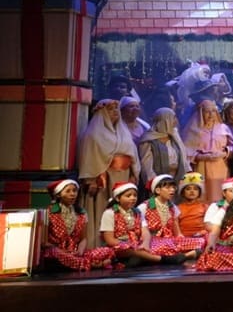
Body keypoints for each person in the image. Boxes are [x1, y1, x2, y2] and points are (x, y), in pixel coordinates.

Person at [78, 98, 140, 248]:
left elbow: (132, 153)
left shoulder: (123, 132)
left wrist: (133, 173)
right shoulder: (92, 134)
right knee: (104, 208)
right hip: (104, 179)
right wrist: (91, 180)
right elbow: (88, 157)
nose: (115, 112)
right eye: (111, 109)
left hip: (123, 176)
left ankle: (123, 244)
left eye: (116, 109)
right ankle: (101, 245)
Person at [101, 181, 188, 267]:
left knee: (158, 244)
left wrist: (145, 244)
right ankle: (163, 259)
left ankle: (142, 258)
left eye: (135, 195)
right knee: (129, 250)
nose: (133, 198)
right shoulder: (110, 213)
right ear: (117, 198)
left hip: (137, 244)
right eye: (128, 196)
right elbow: (110, 240)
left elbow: (145, 232)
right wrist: (130, 245)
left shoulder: (137, 212)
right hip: (119, 246)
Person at [41, 179, 115, 271]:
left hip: (75, 252)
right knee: (55, 253)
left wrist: (80, 251)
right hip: (56, 252)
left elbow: (83, 239)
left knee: (107, 251)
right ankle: (93, 264)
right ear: (58, 194)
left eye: (74, 191)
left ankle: (80, 262)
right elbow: (44, 242)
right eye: (68, 191)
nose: (72, 194)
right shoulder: (49, 212)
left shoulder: (81, 213)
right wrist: (62, 251)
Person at [137, 174, 203, 262]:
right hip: (152, 241)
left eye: (173, 187)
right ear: (158, 190)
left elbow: (176, 230)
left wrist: (180, 238)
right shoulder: (144, 206)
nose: (172, 190)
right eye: (168, 188)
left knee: (201, 241)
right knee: (163, 246)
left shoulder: (172, 207)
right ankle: (185, 256)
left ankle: (180, 256)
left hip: (170, 239)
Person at [182, 99, 233, 202]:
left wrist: (224, 153)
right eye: (207, 112)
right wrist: (201, 156)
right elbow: (186, 151)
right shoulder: (193, 130)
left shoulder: (223, 128)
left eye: (213, 111)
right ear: (201, 113)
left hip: (220, 167)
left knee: (220, 196)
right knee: (203, 197)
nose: (211, 115)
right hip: (201, 166)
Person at [137, 107, 189, 190]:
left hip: (177, 180)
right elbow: (146, 167)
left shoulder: (174, 135)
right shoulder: (148, 140)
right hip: (160, 183)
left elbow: (183, 157)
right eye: (173, 118)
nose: (176, 121)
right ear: (165, 120)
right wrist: (156, 184)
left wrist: (187, 174)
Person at [175, 172, 208, 238]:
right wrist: (179, 234)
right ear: (183, 192)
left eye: (195, 189)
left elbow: (210, 225)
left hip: (201, 237)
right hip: (183, 238)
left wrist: (203, 232)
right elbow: (175, 224)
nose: (192, 191)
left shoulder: (204, 207)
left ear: (199, 192)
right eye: (188, 189)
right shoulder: (177, 208)